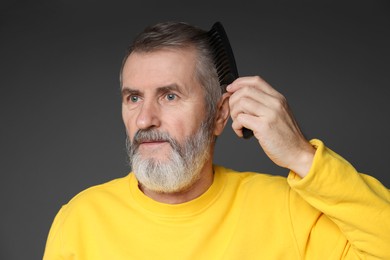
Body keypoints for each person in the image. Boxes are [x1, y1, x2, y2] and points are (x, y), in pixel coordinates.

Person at [43, 21, 390, 259]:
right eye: (133, 98)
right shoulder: (80, 220)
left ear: (220, 115)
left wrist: (302, 156)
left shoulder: (286, 211)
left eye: (169, 96)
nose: (145, 119)